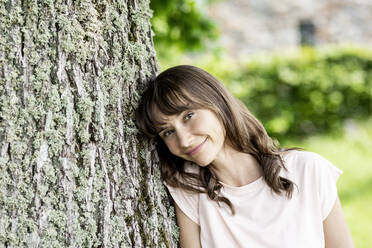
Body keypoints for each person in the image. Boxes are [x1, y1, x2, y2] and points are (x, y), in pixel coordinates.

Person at [135, 65, 354, 248]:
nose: (184, 140)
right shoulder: (189, 189)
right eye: (168, 132)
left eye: (188, 116)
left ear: (217, 102)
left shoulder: (306, 170)